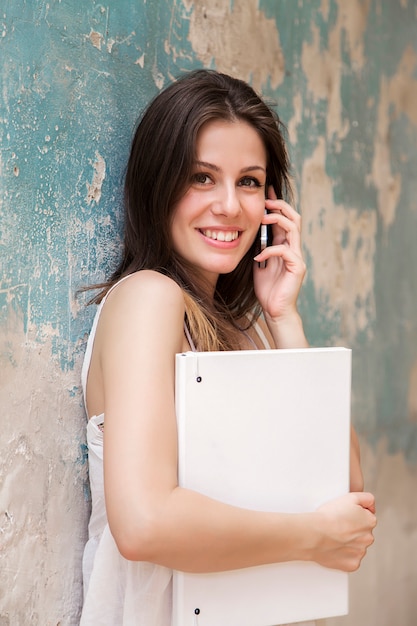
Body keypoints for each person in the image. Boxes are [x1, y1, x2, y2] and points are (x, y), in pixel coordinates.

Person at [80, 69, 376, 625]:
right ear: (158, 185)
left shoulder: (246, 329)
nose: (230, 206)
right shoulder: (150, 299)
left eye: (248, 181)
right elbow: (144, 524)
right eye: (201, 177)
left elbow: (345, 487)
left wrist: (283, 316)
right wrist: (312, 537)